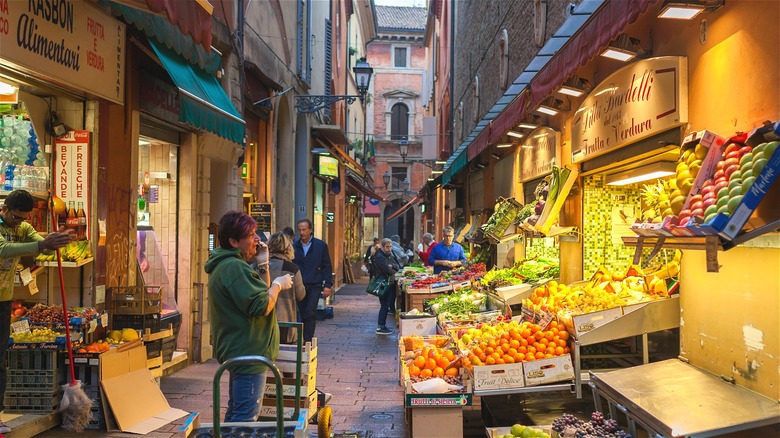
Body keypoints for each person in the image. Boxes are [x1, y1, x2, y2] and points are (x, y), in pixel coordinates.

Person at [205, 210, 293, 422]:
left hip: (243, 351)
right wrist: (278, 285)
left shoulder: (232, 265)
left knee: (236, 414)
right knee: (245, 419)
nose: (257, 239)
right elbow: (263, 305)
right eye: (251, 235)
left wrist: (263, 265)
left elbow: (258, 295)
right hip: (248, 353)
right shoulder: (233, 267)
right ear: (234, 241)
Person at [0, 190, 73, 434]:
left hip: (3, 300)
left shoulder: (23, 228)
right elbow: (3, 249)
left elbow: (44, 249)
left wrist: (54, 242)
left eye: (24, 219)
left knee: (0, 361)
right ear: (5, 209)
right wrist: (42, 243)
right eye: (17, 217)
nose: (20, 222)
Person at [293, 218, 333, 343]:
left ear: (310, 230)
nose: (302, 232)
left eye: (304, 229)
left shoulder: (320, 246)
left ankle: (307, 340)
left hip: (314, 284)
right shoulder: (294, 246)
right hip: (299, 285)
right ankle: (300, 338)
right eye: (299, 230)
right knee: (301, 312)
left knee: (310, 312)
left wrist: (328, 285)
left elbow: (327, 265)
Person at [266, 232, 306, 344]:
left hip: (262, 322)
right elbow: (301, 295)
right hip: (285, 321)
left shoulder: (259, 266)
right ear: (289, 248)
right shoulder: (292, 268)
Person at [371, 238, 399, 335]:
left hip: (389, 283)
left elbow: (398, 265)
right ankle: (380, 326)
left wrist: (393, 266)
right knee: (384, 305)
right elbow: (388, 270)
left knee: (386, 305)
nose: (389, 249)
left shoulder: (389, 254)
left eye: (390, 246)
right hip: (383, 283)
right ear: (383, 247)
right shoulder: (379, 256)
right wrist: (392, 267)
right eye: (387, 247)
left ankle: (382, 325)